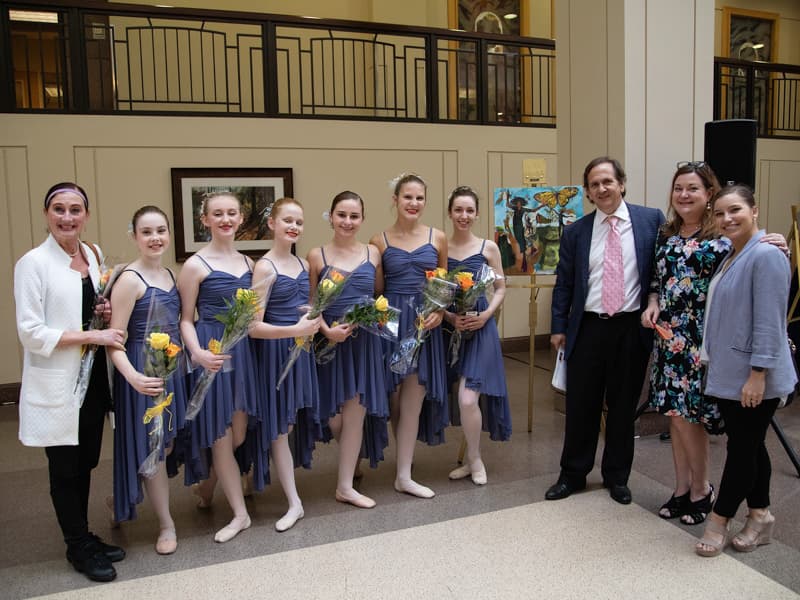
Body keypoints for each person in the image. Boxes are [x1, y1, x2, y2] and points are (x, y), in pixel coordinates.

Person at [641, 163, 788, 526]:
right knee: (674, 417)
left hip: (702, 341)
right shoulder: (666, 233)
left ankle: (701, 490)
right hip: (668, 338)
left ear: (709, 193)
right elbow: (658, 280)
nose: (684, 195)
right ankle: (681, 488)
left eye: (693, 188)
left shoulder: (722, 236)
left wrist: (777, 240)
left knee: (693, 419)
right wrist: (654, 301)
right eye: (678, 188)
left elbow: (753, 261)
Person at [14, 182, 126, 582]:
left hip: (93, 377)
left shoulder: (92, 255)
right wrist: (91, 336)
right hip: (57, 381)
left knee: (86, 461)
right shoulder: (33, 263)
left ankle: (83, 534)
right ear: (47, 214)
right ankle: (76, 545)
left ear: (86, 215)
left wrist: (105, 312)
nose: (67, 217)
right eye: (58, 209)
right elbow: (30, 331)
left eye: (75, 209)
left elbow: (90, 308)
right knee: (63, 468)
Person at [546, 157, 664, 505]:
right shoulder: (577, 231)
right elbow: (564, 283)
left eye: (608, 181)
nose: (602, 189)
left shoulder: (651, 221)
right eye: (594, 184)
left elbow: (674, 257)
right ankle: (573, 474)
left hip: (631, 328)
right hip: (588, 328)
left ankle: (617, 477)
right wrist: (557, 327)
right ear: (587, 192)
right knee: (581, 405)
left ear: (622, 184)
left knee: (623, 407)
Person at [695, 185, 796, 557]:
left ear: (754, 210)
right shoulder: (733, 255)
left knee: (741, 450)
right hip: (732, 372)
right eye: (719, 214)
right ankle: (760, 516)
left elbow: (771, 323)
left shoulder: (767, 255)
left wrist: (758, 374)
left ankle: (718, 521)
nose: (727, 219)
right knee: (751, 447)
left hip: (754, 377)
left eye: (735, 210)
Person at [177, 191, 264, 543]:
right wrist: (197, 353)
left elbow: (258, 313)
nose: (225, 219)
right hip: (211, 350)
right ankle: (239, 515)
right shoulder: (195, 265)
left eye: (231, 213)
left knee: (238, 434)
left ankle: (207, 486)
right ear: (205, 220)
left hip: (242, 352)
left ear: (241, 219)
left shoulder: (249, 264)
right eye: (218, 214)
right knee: (221, 436)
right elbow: (185, 319)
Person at [107, 206, 187, 554]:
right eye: (147, 232)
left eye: (160, 231)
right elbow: (114, 341)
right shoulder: (128, 279)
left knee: (163, 445)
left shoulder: (171, 274)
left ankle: (121, 495)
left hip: (171, 368)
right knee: (153, 448)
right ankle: (166, 524)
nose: (155, 238)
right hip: (141, 372)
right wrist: (134, 377)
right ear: (134, 237)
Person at [307, 191, 389, 508]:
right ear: (331, 216)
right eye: (341, 215)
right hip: (330, 342)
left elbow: (378, 293)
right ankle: (351, 460)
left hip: (364, 342)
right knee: (333, 417)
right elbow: (312, 304)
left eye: (354, 216)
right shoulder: (317, 256)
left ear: (362, 219)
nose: (347, 221)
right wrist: (327, 330)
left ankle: (345, 486)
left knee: (355, 412)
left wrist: (376, 319)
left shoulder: (373, 254)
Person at [370, 173, 449, 499]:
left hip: (423, 323)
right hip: (391, 323)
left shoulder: (438, 237)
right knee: (393, 400)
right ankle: (401, 457)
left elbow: (443, 285)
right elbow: (376, 291)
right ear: (395, 200)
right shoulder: (379, 241)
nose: (413, 203)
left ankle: (404, 474)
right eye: (407, 197)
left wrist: (440, 312)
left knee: (413, 399)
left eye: (419, 198)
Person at [249, 197, 322, 531]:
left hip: (299, 352)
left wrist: (311, 315)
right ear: (272, 224)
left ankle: (252, 480)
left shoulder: (303, 265)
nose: (293, 227)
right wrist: (296, 329)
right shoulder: (264, 267)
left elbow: (304, 305)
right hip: (275, 355)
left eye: (299, 222)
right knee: (279, 429)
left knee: (286, 425)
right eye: (287, 220)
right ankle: (295, 503)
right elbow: (253, 326)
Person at [443, 186, 511, 485]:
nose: (464, 215)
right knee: (457, 397)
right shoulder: (440, 248)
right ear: (450, 213)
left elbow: (500, 288)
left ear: (477, 213)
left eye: (469, 210)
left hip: (481, 325)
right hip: (451, 327)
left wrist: (486, 315)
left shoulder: (488, 248)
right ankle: (470, 460)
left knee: (468, 398)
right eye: (458, 209)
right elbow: (433, 293)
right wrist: (449, 317)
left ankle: (475, 459)